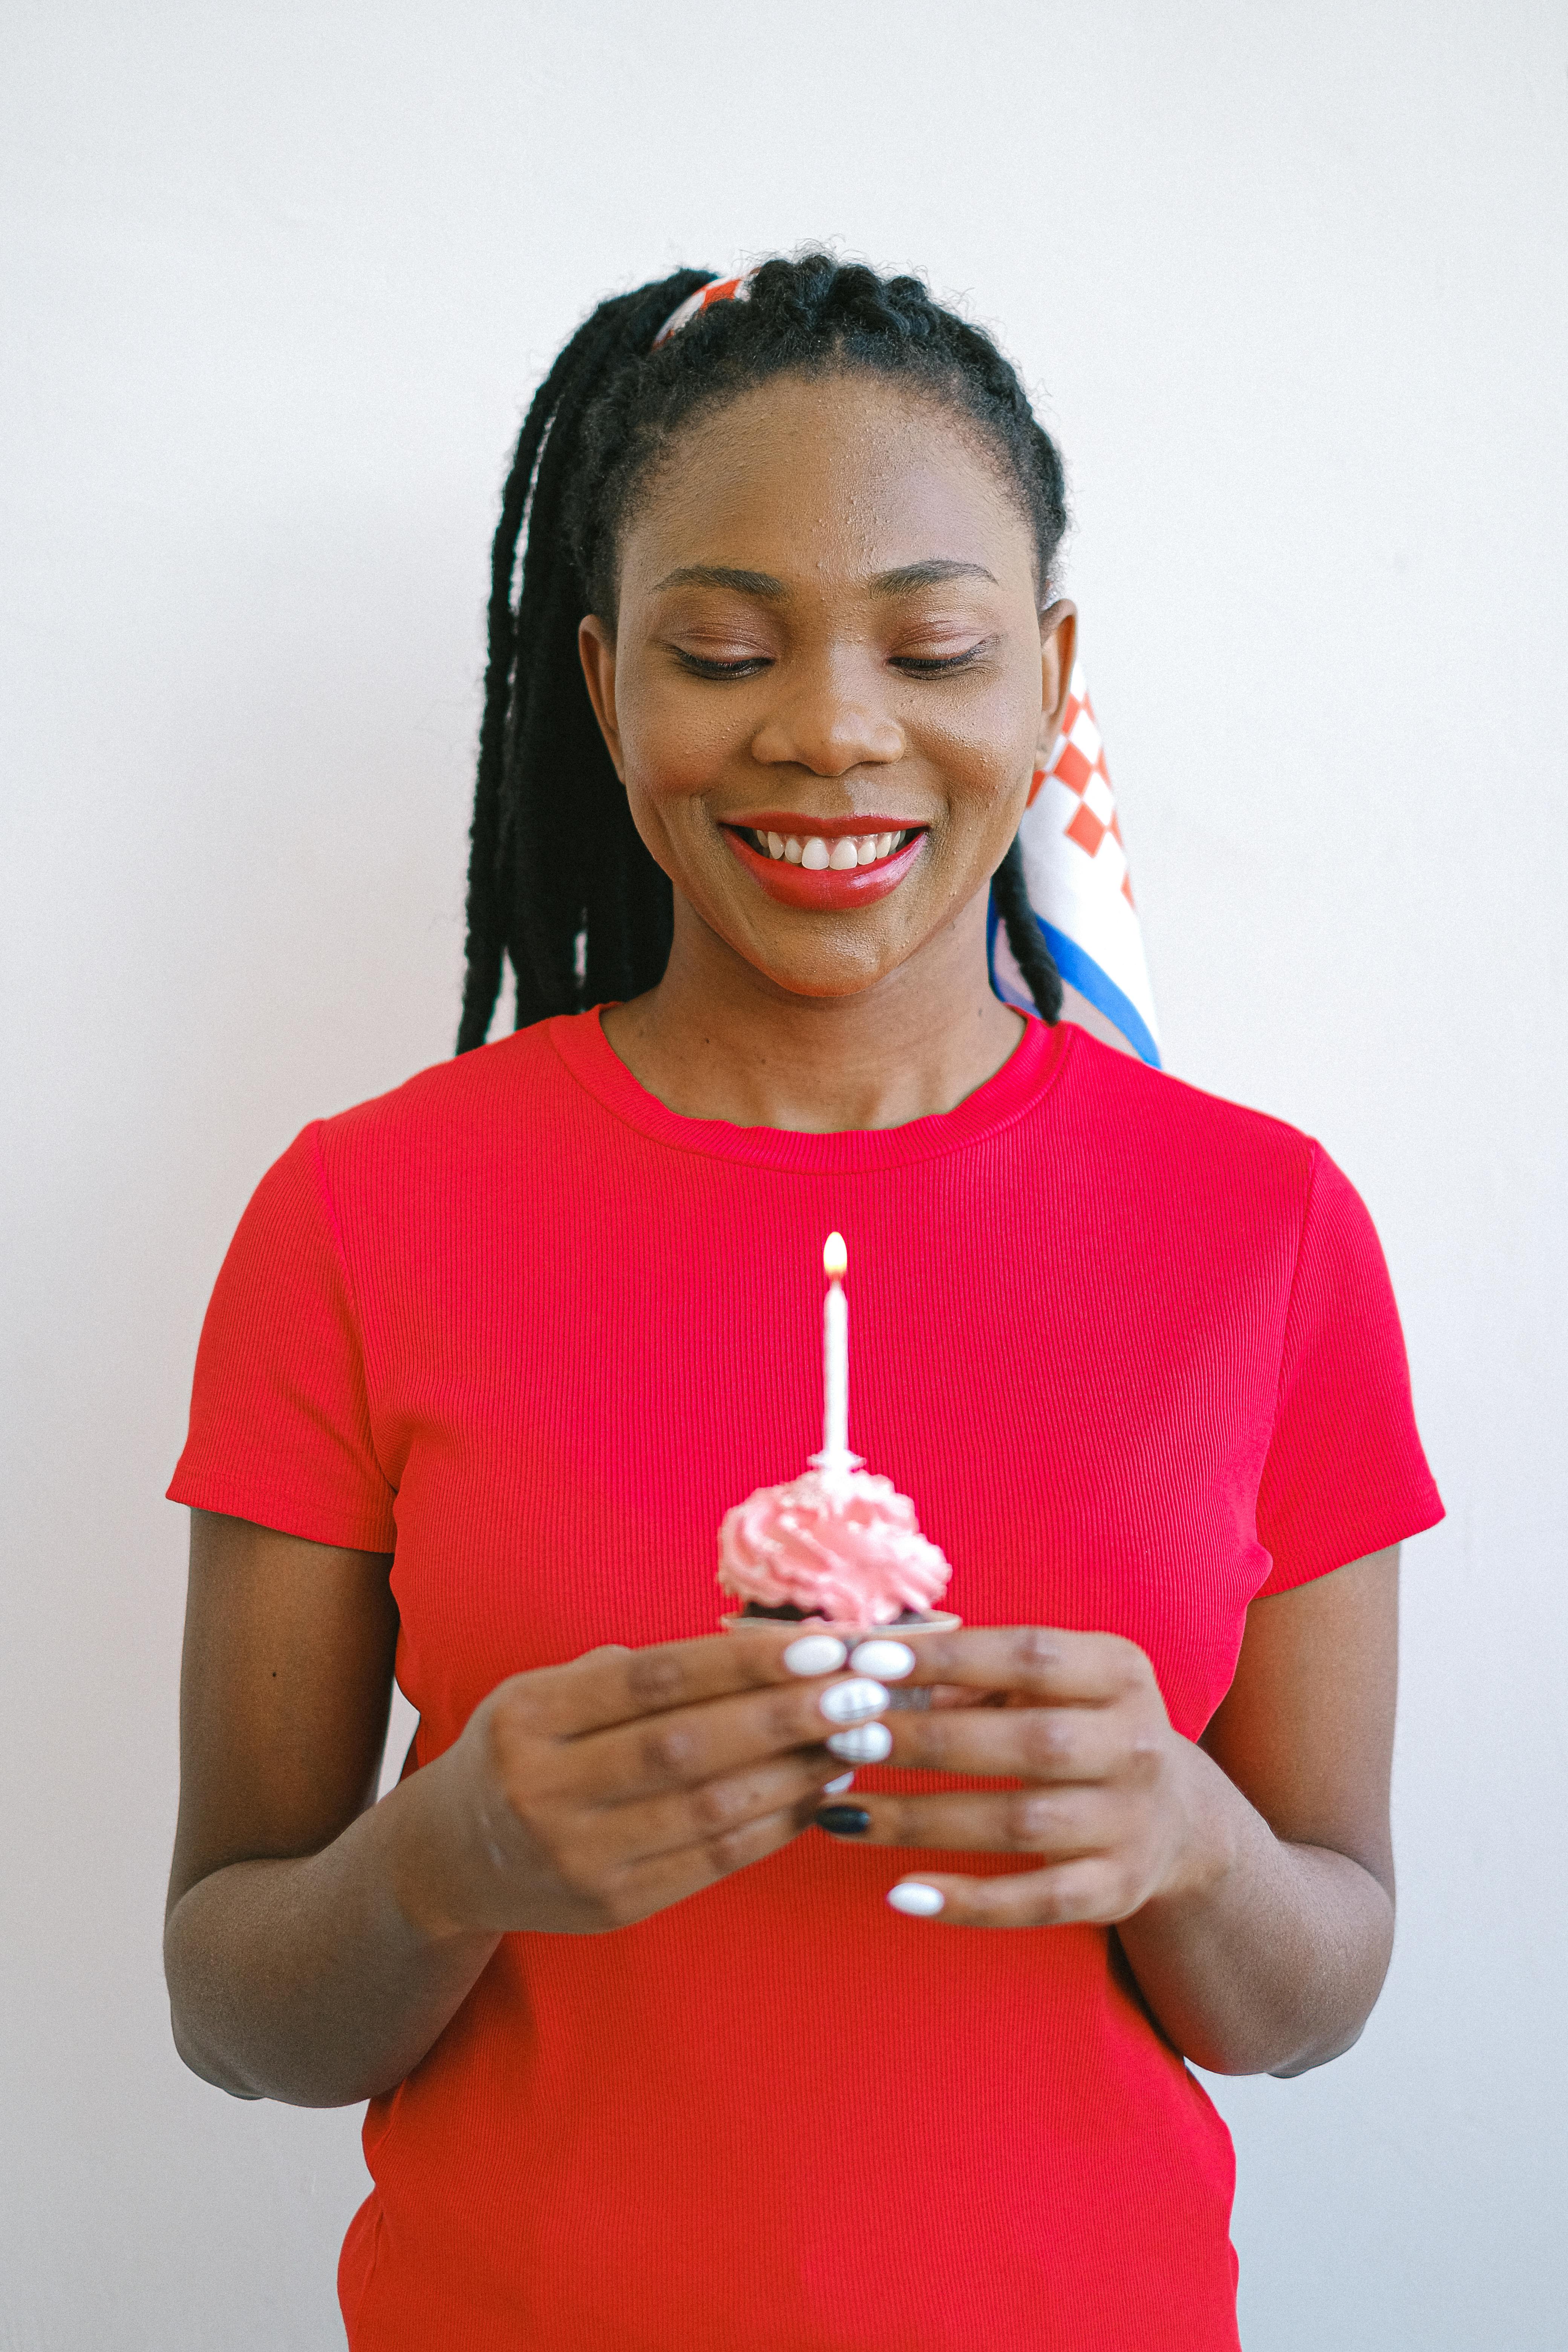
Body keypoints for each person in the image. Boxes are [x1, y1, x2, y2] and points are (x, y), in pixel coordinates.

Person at [164, 255, 1442, 2352]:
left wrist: (1194, 1846)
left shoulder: (1265, 1230)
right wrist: (446, 1859)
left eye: (933, 645)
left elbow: (1318, 1992)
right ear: (603, 689)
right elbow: (235, 2004)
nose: (835, 724)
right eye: (723, 648)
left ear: (1047, 683)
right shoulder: (359, 1216)